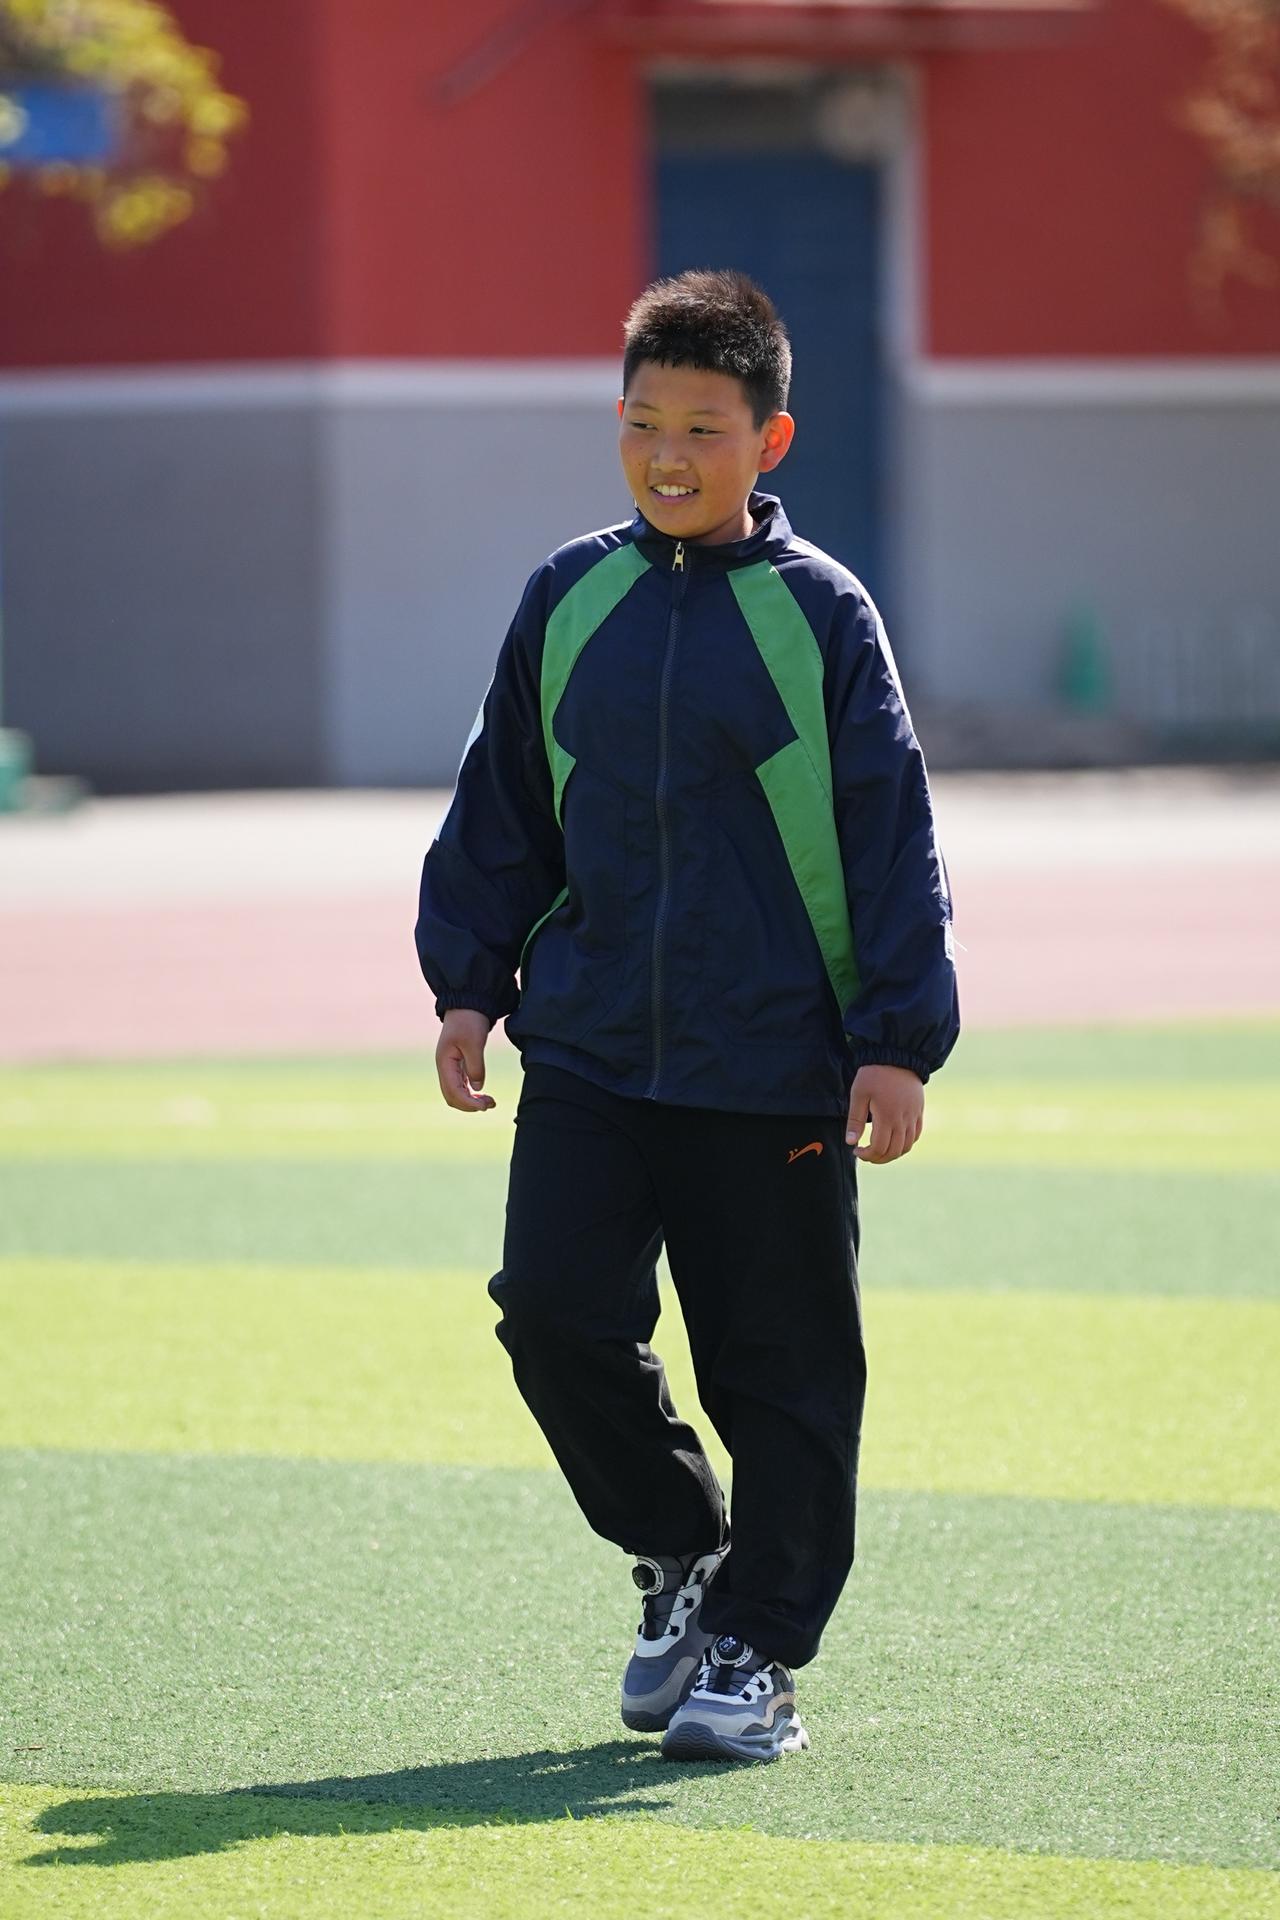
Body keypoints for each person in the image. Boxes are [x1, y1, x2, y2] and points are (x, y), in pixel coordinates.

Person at [415, 268, 959, 1765]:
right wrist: (469, 983)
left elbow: (889, 831)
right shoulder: (567, 596)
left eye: (704, 429)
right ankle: (683, 1548)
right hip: (590, 1047)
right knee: (552, 1316)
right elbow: (504, 803)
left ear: (768, 440)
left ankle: (759, 1651)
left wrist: (895, 1038)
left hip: (774, 1063)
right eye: (644, 423)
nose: (669, 456)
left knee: (780, 1369)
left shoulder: (821, 614)